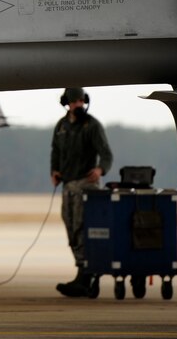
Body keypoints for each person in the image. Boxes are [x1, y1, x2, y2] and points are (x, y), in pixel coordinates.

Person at [50, 87, 114, 297]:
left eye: (81, 101)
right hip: (68, 185)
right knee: (70, 226)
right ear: (66, 103)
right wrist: (55, 170)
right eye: (74, 101)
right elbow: (55, 151)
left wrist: (100, 169)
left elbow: (106, 154)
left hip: (86, 185)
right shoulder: (61, 126)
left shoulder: (92, 125)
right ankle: (81, 269)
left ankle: (86, 274)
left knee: (81, 226)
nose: (78, 104)